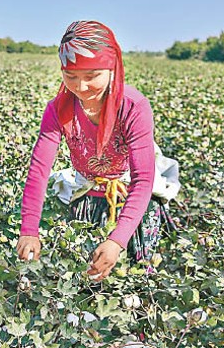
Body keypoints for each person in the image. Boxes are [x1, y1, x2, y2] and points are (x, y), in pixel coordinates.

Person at [16, 21, 177, 282]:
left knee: (135, 275)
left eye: (91, 76)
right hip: (87, 191)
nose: (80, 87)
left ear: (112, 69)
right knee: (80, 274)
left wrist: (117, 241)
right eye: (71, 76)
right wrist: (29, 230)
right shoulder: (57, 110)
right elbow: (38, 172)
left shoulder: (134, 107)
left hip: (130, 195)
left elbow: (143, 180)